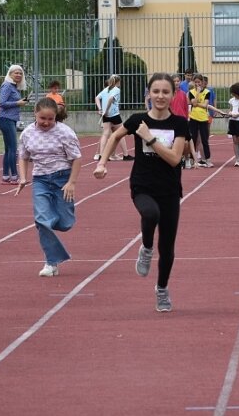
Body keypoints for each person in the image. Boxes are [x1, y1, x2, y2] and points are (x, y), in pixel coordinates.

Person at [93, 73, 190, 312]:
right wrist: (102, 163)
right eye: (155, 91)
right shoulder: (137, 120)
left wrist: (150, 138)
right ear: (149, 94)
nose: (160, 96)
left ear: (173, 95)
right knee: (150, 214)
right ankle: (146, 248)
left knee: (167, 248)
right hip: (142, 185)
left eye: (165, 92)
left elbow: (175, 158)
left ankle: (162, 289)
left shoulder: (179, 124)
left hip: (169, 190)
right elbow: (115, 136)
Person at [15, 97, 82, 277]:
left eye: (50, 119)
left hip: (62, 179)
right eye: (42, 118)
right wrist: (23, 178)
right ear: (35, 114)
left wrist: (71, 183)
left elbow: (76, 158)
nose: (46, 122)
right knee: (42, 221)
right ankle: (51, 262)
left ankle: (50, 219)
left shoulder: (65, 133)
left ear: (55, 117)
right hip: (41, 181)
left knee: (66, 223)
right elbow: (23, 156)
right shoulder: (27, 133)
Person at [0, 65, 28, 185]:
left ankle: (5, 176)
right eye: (16, 73)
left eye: (20, 73)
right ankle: (15, 176)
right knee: (13, 149)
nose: (19, 75)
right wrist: (18, 103)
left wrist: (20, 102)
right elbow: (2, 103)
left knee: (8, 149)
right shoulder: (7, 85)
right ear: (10, 74)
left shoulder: (14, 87)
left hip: (10, 119)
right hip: (6, 119)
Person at [188, 73, 225, 167]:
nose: (197, 84)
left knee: (205, 140)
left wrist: (196, 104)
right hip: (193, 117)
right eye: (195, 82)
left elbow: (205, 105)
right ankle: (193, 160)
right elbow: (193, 103)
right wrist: (197, 93)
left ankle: (208, 160)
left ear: (202, 82)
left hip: (203, 118)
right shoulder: (191, 92)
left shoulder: (207, 92)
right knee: (194, 139)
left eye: (199, 82)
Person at [95, 75, 132, 161]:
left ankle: (101, 155)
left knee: (105, 134)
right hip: (114, 114)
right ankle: (125, 155)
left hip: (105, 115)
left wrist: (101, 109)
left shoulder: (106, 89)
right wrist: (107, 109)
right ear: (118, 82)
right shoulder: (116, 89)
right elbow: (111, 98)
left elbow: (97, 98)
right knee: (121, 133)